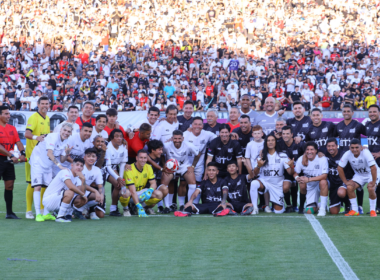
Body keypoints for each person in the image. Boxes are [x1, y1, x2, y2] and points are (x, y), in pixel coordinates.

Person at [29, 123, 73, 221]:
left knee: (49, 188)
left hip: (48, 165)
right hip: (37, 162)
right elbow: (49, 153)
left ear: (71, 133)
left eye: (68, 131)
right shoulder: (52, 137)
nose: (66, 133)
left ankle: (46, 213)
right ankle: (38, 214)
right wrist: (60, 166)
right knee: (38, 187)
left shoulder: (66, 142)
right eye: (65, 130)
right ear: (61, 129)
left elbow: (62, 159)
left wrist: (67, 153)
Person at [333, 104, 366, 213]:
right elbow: (332, 139)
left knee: (358, 182)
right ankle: (346, 205)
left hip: (356, 158)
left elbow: (368, 134)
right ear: (342, 113)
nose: (346, 113)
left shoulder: (358, 125)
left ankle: (359, 206)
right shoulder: (338, 126)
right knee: (345, 182)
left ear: (352, 113)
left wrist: (365, 146)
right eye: (344, 111)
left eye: (348, 111)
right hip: (344, 159)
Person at [250, 135, 294, 214]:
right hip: (265, 183)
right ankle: (255, 208)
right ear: (266, 143)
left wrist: (292, 166)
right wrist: (259, 166)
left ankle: (274, 203)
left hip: (277, 185)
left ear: (276, 142)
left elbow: (290, 172)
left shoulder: (282, 155)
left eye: (273, 140)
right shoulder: (261, 156)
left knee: (279, 211)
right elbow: (255, 174)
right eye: (268, 140)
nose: (270, 142)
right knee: (253, 183)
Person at [160, 130, 200, 213]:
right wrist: (164, 165)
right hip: (171, 167)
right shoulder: (166, 146)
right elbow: (161, 155)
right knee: (165, 182)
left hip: (184, 167)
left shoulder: (188, 145)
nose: (177, 140)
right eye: (175, 138)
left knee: (192, 182)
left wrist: (193, 166)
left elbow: (198, 153)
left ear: (183, 138)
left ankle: (187, 205)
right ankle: (167, 206)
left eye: (179, 138)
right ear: (172, 138)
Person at [338, 139, 380, 217]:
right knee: (349, 187)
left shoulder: (366, 153)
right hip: (359, 175)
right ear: (349, 147)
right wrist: (345, 182)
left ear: (361, 147)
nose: (354, 149)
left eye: (357, 147)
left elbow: (373, 168)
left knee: (371, 188)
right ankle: (354, 210)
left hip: (372, 174)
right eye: (352, 147)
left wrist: (373, 182)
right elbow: (339, 168)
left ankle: (372, 210)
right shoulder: (347, 154)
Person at [24, 96, 50, 219]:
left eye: (47, 103)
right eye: (42, 103)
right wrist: (36, 138)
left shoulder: (47, 118)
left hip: (43, 157)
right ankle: (29, 210)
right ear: (38, 105)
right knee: (32, 183)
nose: (45, 105)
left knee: (44, 183)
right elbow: (27, 134)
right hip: (32, 157)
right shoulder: (33, 117)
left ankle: (42, 209)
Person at [0, 106, 26, 219]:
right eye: (6, 114)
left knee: (9, 185)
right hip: (3, 158)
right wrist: (11, 155)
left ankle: (9, 213)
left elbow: (18, 142)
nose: (8, 116)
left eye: (9, 114)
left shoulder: (12, 128)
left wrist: (22, 153)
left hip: (9, 161)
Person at [42, 158, 87, 223]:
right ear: (72, 165)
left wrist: (83, 179)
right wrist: (83, 195)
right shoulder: (65, 172)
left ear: (83, 168)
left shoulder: (77, 179)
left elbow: (82, 193)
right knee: (70, 192)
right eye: (77, 165)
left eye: (81, 166)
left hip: (57, 200)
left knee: (81, 200)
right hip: (49, 200)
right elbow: (71, 187)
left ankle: (67, 214)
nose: (79, 167)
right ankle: (60, 217)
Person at [123, 150, 165, 217]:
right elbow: (132, 191)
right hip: (130, 195)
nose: (143, 160)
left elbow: (153, 183)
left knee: (159, 194)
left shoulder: (148, 167)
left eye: (145, 158)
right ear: (137, 158)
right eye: (141, 157)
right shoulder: (129, 169)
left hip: (140, 193)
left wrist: (150, 190)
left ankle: (138, 207)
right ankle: (126, 209)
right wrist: (138, 205)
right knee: (125, 192)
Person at [293, 141, 329, 215]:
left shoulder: (322, 159)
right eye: (307, 149)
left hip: (320, 184)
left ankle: (322, 209)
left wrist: (309, 179)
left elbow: (324, 176)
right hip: (310, 186)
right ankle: (319, 205)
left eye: (312, 149)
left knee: (323, 182)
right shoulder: (301, 159)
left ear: (316, 150)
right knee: (310, 211)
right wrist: (297, 178)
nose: (309, 152)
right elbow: (295, 172)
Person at [278, 126, 305, 212]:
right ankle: (289, 205)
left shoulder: (299, 143)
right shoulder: (279, 144)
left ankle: (298, 206)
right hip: (287, 170)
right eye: (283, 134)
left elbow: (308, 152)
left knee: (300, 185)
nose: (285, 135)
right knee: (285, 188)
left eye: (287, 133)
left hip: (300, 170)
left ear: (292, 134)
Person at [73, 148, 105, 220]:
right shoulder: (80, 167)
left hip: (84, 191)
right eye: (89, 156)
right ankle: (71, 210)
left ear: (96, 158)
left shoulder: (97, 170)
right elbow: (81, 185)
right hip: (75, 190)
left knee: (99, 197)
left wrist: (102, 194)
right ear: (84, 158)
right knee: (94, 194)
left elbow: (100, 186)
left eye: (93, 156)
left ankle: (78, 210)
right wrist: (95, 191)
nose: (91, 158)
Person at [183, 117, 217, 185]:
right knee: (183, 184)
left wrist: (230, 134)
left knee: (197, 184)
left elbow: (219, 138)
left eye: (199, 124)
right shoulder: (185, 134)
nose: (197, 126)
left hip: (199, 165)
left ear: (202, 126)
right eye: (195, 124)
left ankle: (196, 196)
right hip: (186, 164)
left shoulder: (207, 134)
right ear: (191, 125)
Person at [324, 138, 352, 214]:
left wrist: (350, 179)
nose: (331, 148)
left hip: (342, 182)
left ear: (337, 146)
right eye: (329, 146)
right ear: (326, 147)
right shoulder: (324, 154)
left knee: (341, 193)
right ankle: (337, 204)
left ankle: (348, 204)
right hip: (332, 184)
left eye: (333, 146)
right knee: (334, 212)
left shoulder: (344, 154)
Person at [105, 129, 129, 216]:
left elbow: (123, 163)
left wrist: (121, 178)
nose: (119, 138)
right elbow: (107, 166)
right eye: (116, 136)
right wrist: (118, 178)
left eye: (121, 136)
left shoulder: (124, 146)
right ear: (112, 138)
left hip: (114, 168)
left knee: (120, 184)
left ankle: (116, 208)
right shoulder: (107, 147)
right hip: (104, 169)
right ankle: (114, 208)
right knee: (117, 183)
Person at [365, 105, 380, 213]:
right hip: (373, 160)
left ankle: (378, 207)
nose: (372, 113)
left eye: (374, 111)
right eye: (370, 112)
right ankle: (376, 208)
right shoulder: (368, 125)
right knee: (375, 183)